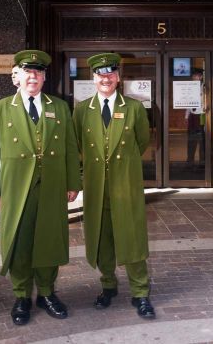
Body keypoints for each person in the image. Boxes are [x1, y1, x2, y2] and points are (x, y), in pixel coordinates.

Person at [0, 49, 81, 326]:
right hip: (16, 188)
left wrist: (74, 182)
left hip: (51, 187)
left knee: (49, 241)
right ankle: (22, 295)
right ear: (17, 76)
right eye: (28, 72)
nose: (33, 77)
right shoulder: (1, 108)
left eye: (38, 72)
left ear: (44, 77)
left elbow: (71, 149)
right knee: (20, 242)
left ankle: (47, 293)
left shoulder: (59, 107)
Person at [73, 52, 155, 319]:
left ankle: (140, 292)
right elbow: (77, 146)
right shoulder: (83, 109)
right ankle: (108, 285)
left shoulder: (134, 108)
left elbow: (142, 141)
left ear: (118, 78)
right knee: (101, 238)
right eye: (100, 74)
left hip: (125, 185)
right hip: (96, 187)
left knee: (132, 238)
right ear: (93, 78)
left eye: (110, 74)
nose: (105, 78)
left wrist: (123, 166)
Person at [185, 67, 205, 166]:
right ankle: (190, 161)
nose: (194, 77)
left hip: (202, 115)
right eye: (193, 76)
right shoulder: (189, 87)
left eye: (197, 76)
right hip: (192, 116)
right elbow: (187, 104)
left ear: (201, 77)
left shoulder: (205, 87)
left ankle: (202, 162)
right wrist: (186, 116)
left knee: (202, 140)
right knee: (191, 140)